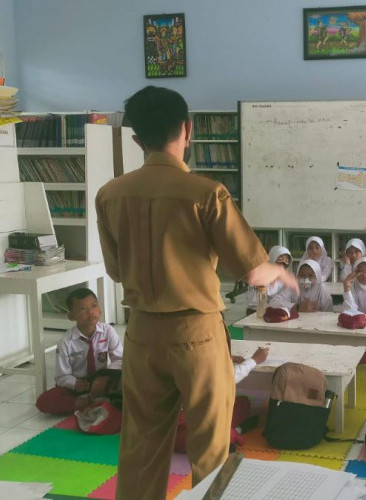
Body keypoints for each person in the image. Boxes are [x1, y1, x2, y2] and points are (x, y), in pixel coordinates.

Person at [95, 85, 297, 500]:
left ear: (137, 139)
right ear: (189, 129)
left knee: (141, 448)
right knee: (210, 451)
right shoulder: (207, 193)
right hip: (196, 334)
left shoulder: (109, 195)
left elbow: (116, 271)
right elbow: (255, 273)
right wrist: (281, 271)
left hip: (141, 332)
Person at [35, 288, 123, 415]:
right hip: (79, 385)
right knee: (44, 401)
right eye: (82, 309)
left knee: (129, 383)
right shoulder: (66, 341)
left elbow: (119, 359)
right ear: (71, 316)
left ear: (100, 309)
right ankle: (85, 402)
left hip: (102, 380)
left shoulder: (108, 331)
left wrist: (105, 376)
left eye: (94, 306)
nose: (91, 312)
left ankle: (97, 400)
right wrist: (75, 384)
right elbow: (61, 377)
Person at [174, 346, 270, 453]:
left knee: (241, 404)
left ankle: (229, 432)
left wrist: (225, 358)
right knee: (214, 436)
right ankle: (236, 431)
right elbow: (225, 378)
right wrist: (254, 360)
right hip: (177, 424)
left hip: (197, 415)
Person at [246, 245, 293, 315]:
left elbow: (286, 300)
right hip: (256, 312)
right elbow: (254, 302)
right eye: (278, 263)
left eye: (284, 265)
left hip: (275, 312)